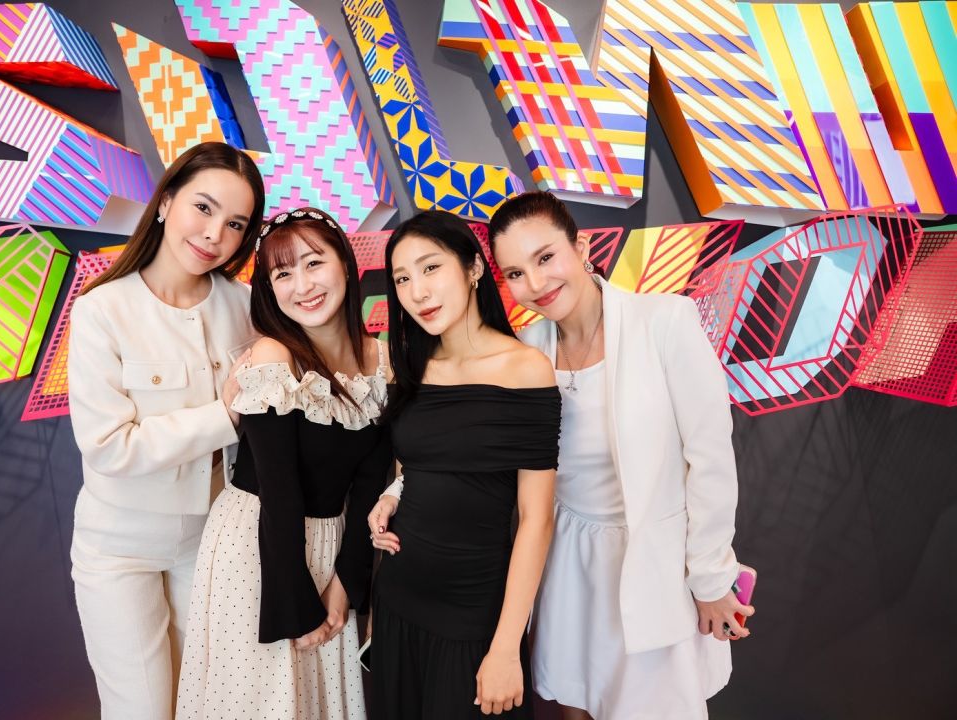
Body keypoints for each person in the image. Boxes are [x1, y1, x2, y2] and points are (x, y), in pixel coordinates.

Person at [485, 191, 753, 719]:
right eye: (515, 273)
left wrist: (711, 577)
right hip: (566, 565)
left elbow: (711, 462)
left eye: (545, 257)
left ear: (581, 247)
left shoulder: (665, 321)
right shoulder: (524, 349)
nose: (535, 283)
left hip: (655, 565)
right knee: (576, 706)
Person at [66, 142, 265, 719]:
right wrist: (225, 416)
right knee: (143, 710)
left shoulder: (246, 305)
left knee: (207, 704)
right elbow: (109, 447)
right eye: (203, 208)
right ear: (165, 202)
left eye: (235, 224)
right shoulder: (103, 309)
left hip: (214, 540)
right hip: (119, 546)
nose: (214, 235)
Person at [176, 208, 392, 719]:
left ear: (344, 264)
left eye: (314, 263)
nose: (303, 285)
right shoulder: (274, 356)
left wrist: (346, 583)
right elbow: (278, 490)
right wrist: (292, 600)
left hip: (334, 539)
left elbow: (369, 484)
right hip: (260, 547)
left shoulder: (381, 360)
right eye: (283, 273)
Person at [368, 210, 560, 719]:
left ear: (473, 268)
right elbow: (420, 464)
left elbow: (537, 519)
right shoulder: (410, 365)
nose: (418, 292)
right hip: (398, 597)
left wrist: (506, 648)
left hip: (473, 613)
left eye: (431, 268)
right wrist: (390, 497)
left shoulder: (525, 369)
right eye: (402, 279)